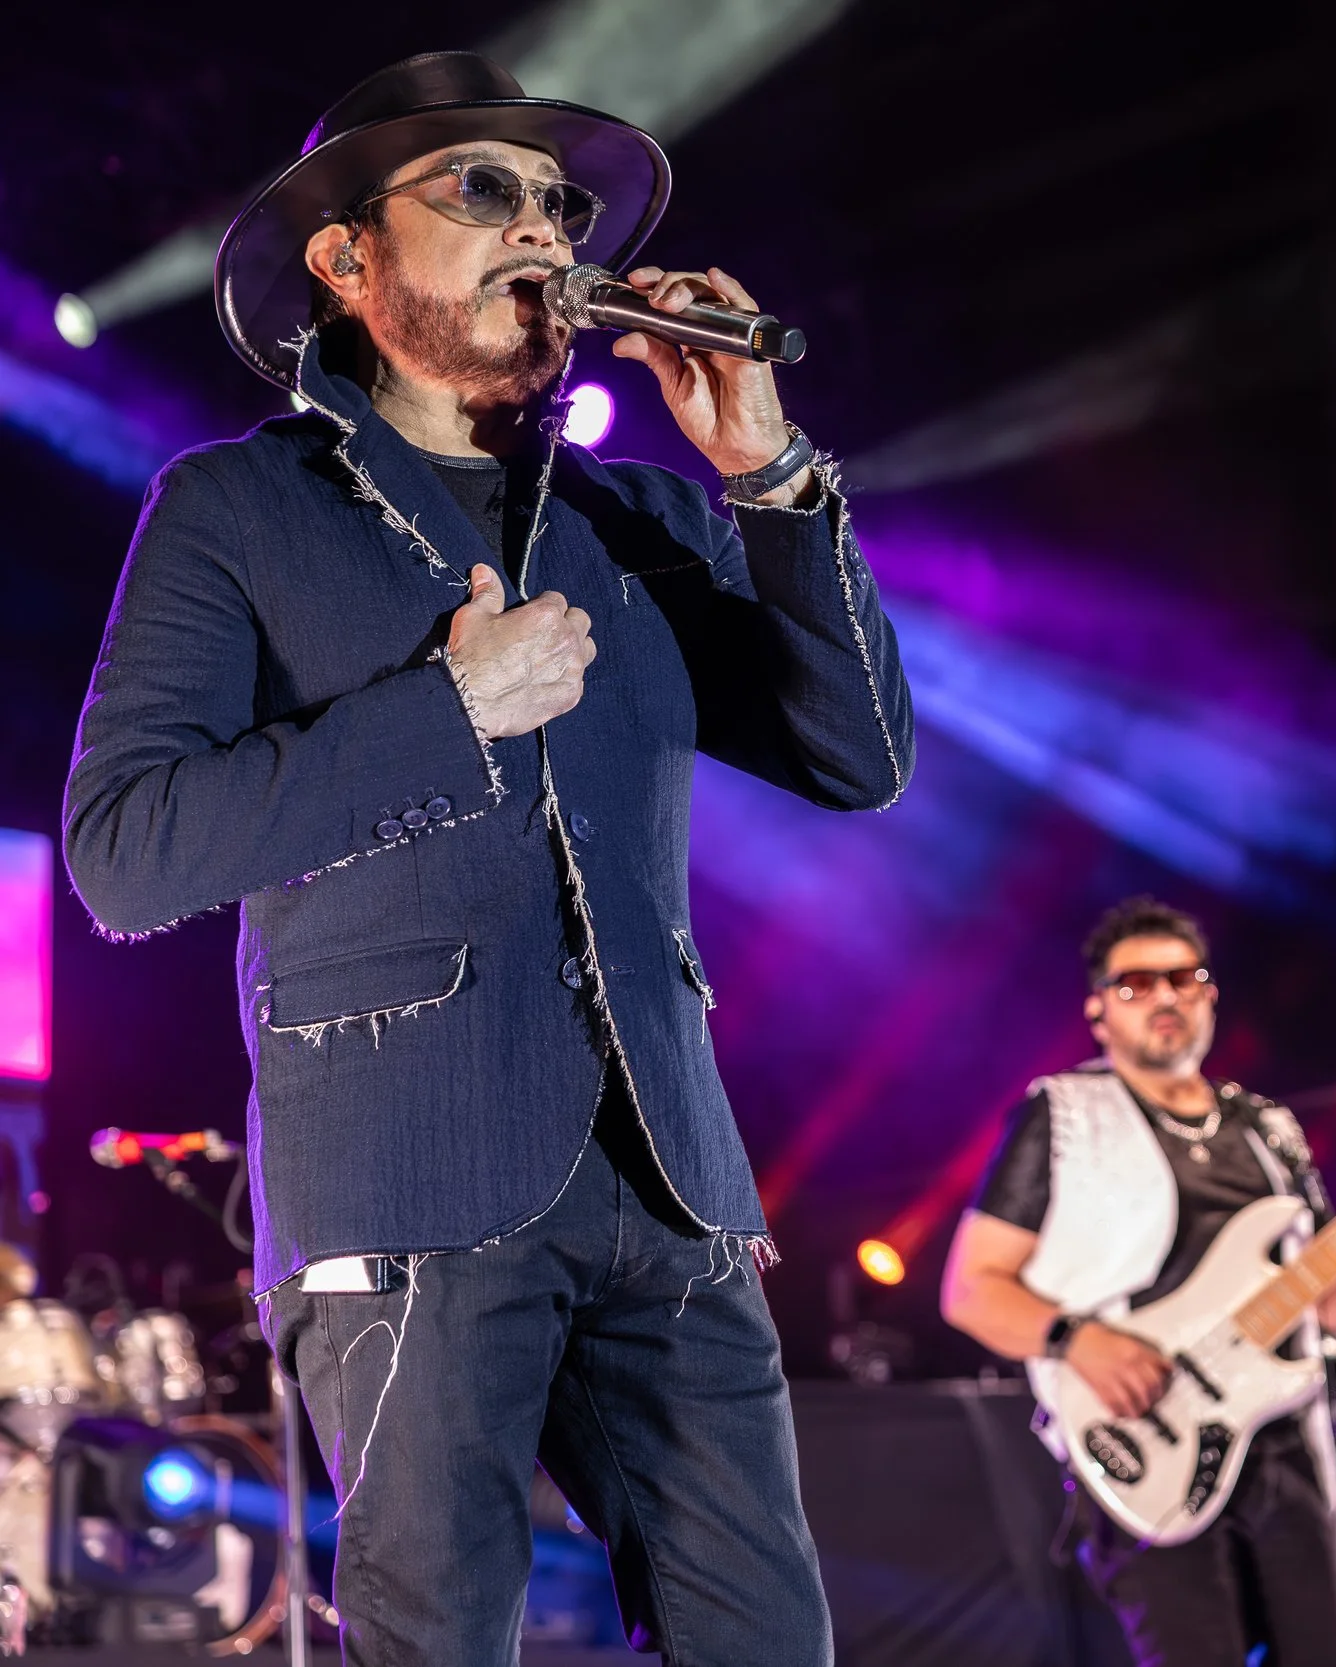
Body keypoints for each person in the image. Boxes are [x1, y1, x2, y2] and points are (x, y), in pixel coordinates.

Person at [60, 51, 912, 1664]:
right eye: (484, 187)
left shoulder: (643, 518)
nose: (542, 227)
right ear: (346, 256)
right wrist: (445, 713)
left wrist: (769, 476)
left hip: (668, 1186)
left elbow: (857, 755)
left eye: (560, 202)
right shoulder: (237, 510)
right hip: (406, 1186)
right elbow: (122, 851)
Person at [940, 897, 1336, 1667]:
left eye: (1183, 978)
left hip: (1282, 1443)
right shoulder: (1062, 1115)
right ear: (1098, 1010)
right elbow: (971, 1288)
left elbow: (1327, 1306)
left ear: (1210, 995)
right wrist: (1076, 1338)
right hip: (1147, 1439)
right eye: (1136, 983)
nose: (1164, 997)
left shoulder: (1267, 1130)